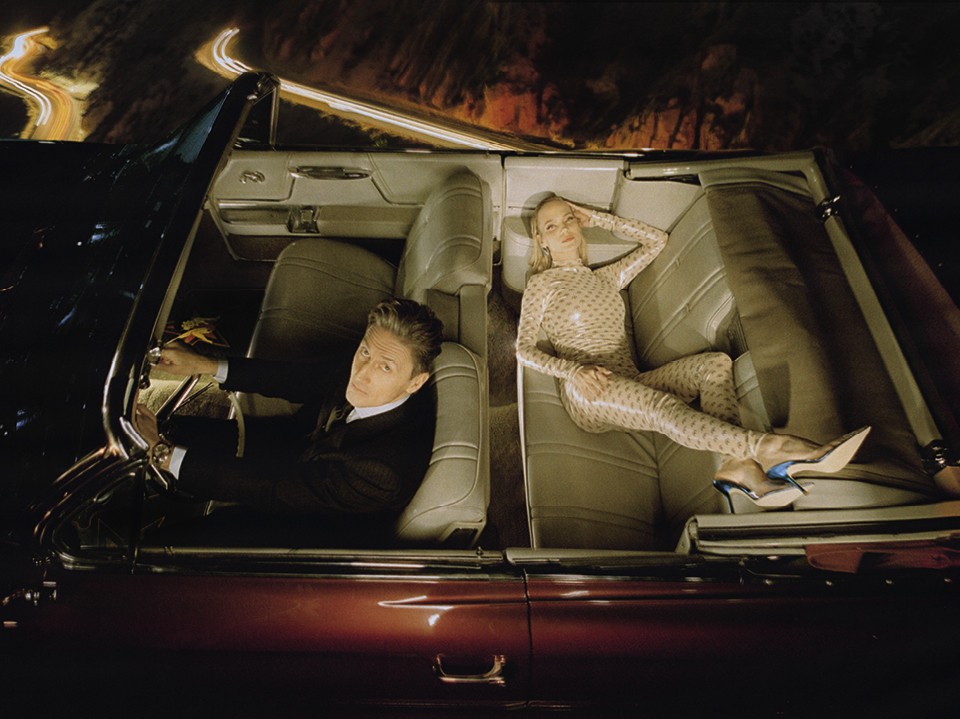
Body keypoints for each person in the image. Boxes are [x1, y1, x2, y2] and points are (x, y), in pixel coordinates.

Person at [516, 195, 869, 511]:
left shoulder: (606, 277)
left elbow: (657, 240)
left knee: (714, 364)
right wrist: (573, 372)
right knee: (663, 408)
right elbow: (523, 349)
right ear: (541, 240)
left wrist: (600, 218)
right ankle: (776, 448)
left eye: (569, 219)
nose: (564, 229)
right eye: (551, 226)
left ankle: (737, 467)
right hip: (587, 391)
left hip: (631, 379)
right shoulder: (542, 283)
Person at [136, 298, 443, 520]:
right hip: (294, 447)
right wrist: (204, 364)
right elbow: (298, 379)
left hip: (294, 525)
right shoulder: (379, 365)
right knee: (172, 429)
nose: (362, 373)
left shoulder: (383, 473)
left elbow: (272, 489)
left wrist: (162, 454)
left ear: (416, 383)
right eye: (364, 352)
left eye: (385, 367)